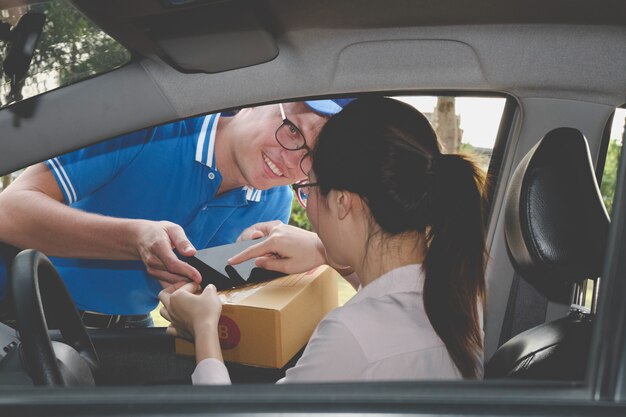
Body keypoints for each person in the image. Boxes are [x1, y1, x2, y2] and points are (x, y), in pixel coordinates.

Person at [159, 97, 488, 383]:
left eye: (309, 189)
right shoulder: (458, 295)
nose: (310, 209)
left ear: (343, 202)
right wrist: (323, 252)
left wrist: (203, 330)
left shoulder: (351, 333)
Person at [0, 99, 351, 328]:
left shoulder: (275, 204)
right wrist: (133, 239)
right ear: (255, 101)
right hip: (21, 308)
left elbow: (191, 291)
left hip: (130, 329)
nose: (292, 163)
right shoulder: (151, 126)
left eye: (313, 160)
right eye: (292, 131)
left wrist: (233, 274)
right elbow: (9, 210)